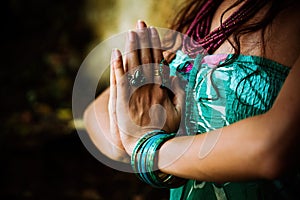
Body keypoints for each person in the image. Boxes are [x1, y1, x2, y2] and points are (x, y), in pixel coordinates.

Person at [83, 0, 300, 199]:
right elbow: (94, 113)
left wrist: (152, 150)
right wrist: (134, 136)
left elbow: (271, 147)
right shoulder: (204, 13)